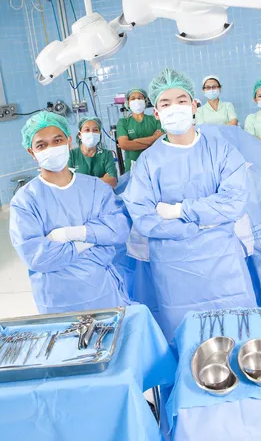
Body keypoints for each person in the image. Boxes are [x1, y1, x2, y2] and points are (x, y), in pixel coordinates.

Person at [122, 68, 256, 341]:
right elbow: (144, 217)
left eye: (181, 101)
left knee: (239, 337)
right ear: (156, 113)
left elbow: (234, 202)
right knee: (186, 342)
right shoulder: (148, 162)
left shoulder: (221, 150)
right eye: (165, 103)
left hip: (223, 266)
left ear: (194, 105)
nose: (175, 108)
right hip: (174, 271)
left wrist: (180, 212)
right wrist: (199, 225)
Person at [10, 111, 130, 314]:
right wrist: (93, 237)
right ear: (32, 152)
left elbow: (119, 231)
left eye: (57, 140)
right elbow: (38, 257)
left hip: (102, 291)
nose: (51, 148)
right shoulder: (24, 201)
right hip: (58, 300)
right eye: (42, 145)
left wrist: (69, 236)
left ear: (69, 141)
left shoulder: (95, 188)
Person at [117, 88, 163, 172]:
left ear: (145, 101)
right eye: (133, 98)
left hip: (155, 164)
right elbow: (124, 145)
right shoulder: (123, 122)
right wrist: (154, 139)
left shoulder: (155, 119)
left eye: (140, 98)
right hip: (133, 167)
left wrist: (134, 142)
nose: (136, 100)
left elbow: (162, 141)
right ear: (128, 103)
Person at [68, 117, 117, 188]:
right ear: (80, 135)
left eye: (95, 130)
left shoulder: (106, 154)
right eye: (87, 130)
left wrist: (82, 182)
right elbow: (69, 184)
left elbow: (113, 182)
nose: (91, 133)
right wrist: (102, 180)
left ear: (99, 133)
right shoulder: (71, 155)